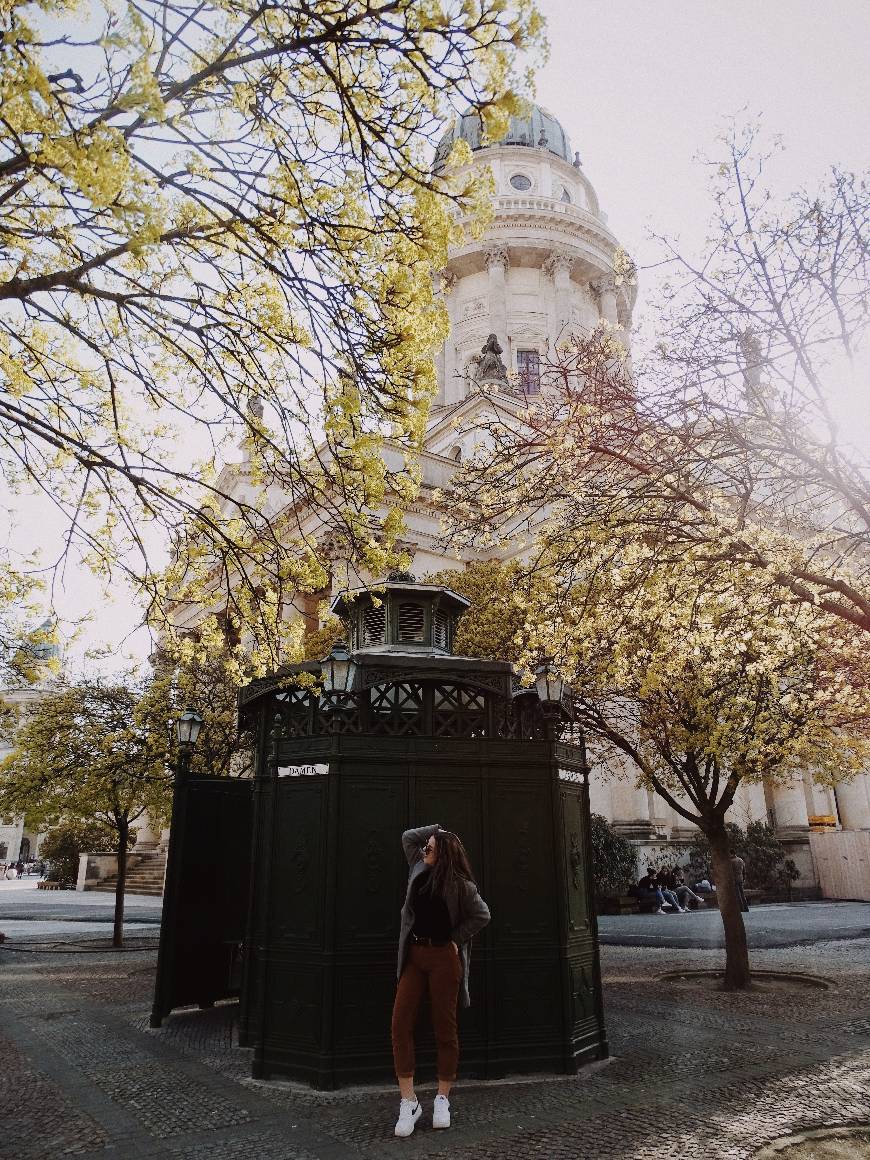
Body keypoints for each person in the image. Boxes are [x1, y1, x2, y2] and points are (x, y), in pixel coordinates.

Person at [391, 824, 491, 1138]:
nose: (424, 850)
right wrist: (437, 830)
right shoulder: (417, 867)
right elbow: (408, 836)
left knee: (444, 1028)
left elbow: (482, 915)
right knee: (399, 1024)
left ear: (444, 854)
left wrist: (455, 940)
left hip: (443, 959)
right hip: (415, 956)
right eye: (426, 848)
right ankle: (409, 1101)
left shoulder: (462, 886)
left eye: (431, 848)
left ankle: (442, 1097)